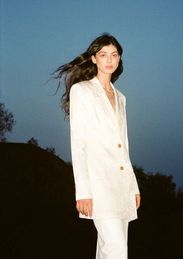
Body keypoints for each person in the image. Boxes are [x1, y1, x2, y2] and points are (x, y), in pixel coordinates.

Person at [54, 33, 140, 259]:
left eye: (114, 55)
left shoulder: (121, 97)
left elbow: (124, 144)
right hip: (98, 185)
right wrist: (83, 192)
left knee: (108, 249)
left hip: (121, 185)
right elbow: (79, 143)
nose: (109, 60)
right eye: (103, 55)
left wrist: (133, 186)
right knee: (116, 249)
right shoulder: (82, 90)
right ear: (94, 59)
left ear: (119, 59)